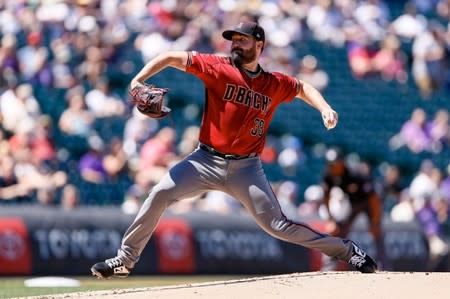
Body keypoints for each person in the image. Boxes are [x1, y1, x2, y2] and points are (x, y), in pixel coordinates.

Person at [91, 21, 377, 279]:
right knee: (160, 193)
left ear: (259, 44)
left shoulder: (273, 83)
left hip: (246, 168)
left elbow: (302, 87)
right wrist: (137, 80)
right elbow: (170, 57)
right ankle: (125, 260)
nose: (235, 44)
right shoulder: (218, 67)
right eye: (234, 40)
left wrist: (325, 108)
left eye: (242, 39)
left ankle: (346, 250)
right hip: (205, 160)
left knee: (277, 225)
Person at [321, 148, 385, 270]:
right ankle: (329, 267)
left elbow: (373, 198)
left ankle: (383, 265)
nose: (332, 167)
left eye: (335, 164)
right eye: (330, 164)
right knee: (337, 231)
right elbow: (326, 198)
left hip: (367, 203)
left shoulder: (355, 173)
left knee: (376, 232)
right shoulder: (328, 175)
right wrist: (330, 219)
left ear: (342, 162)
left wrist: (375, 221)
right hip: (352, 204)